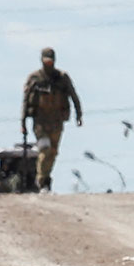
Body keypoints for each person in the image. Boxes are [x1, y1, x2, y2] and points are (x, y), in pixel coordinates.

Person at [21, 47, 82, 191]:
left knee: (53, 152)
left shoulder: (62, 77)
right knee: (45, 149)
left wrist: (79, 115)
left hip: (56, 122)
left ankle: (46, 178)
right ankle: (42, 180)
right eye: (46, 61)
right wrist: (22, 122)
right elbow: (25, 101)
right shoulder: (34, 78)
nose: (48, 64)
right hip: (40, 122)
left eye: (50, 61)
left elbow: (73, 96)